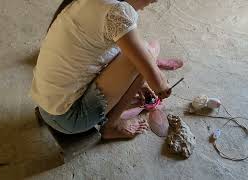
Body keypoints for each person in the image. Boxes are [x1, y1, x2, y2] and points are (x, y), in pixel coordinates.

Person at [30, 0, 172, 139]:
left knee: (137, 50)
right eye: (152, 0)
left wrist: (137, 82)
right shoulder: (118, 12)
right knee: (145, 53)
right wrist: (159, 84)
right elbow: (158, 83)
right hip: (68, 118)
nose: (153, 3)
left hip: (46, 103)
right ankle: (111, 126)